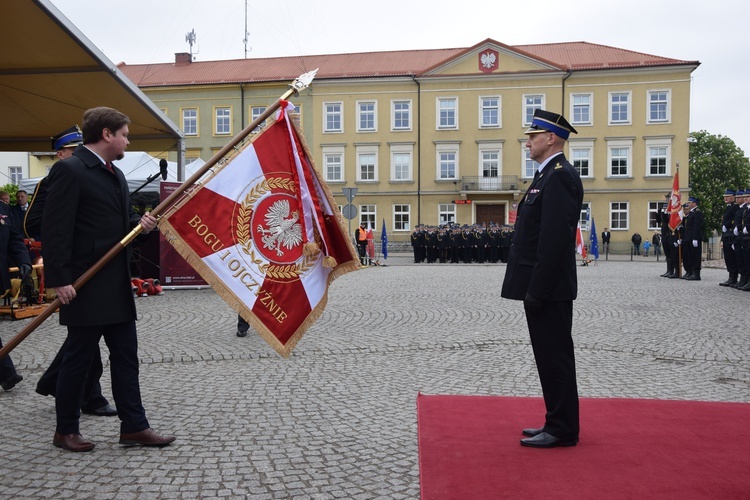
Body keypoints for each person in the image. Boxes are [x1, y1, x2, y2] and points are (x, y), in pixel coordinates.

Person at [42, 107, 175, 452]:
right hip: (84, 285)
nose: (127, 140)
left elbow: (122, 224)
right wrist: (60, 279)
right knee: (78, 361)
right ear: (106, 134)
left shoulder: (114, 174)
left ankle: (134, 426)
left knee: (126, 358)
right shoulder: (69, 170)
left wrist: (141, 226)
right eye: (125, 134)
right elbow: (55, 229)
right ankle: (65, 430)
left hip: (115, 282)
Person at [501, 109, 583, 448]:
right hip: (542, 287)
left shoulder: (560, 176)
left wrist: (537, 289)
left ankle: (563, 429)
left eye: (533, 136)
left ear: (551, 138)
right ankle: (555, 420)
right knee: (547, 357)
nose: (527, 141)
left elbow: (554, 241)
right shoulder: (544, 175)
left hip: (549, 289)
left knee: (556, 357)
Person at [34, 126, 117, 417]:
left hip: (93, 272)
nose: (80, 155)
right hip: (73, 269)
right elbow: (33, 224)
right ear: (60, 153)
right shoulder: (56, 177)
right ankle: (86, 398)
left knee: (84, 341)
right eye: (73, 150)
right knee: (83, 342)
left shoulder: (96, 174)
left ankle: (70, 389)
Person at [1, 199, 32, 391]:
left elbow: (14, 238)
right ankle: (6, 373)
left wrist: (24, 260)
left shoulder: (3, 208)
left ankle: (6, 374)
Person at [719, 189, 739, 287]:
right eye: (724, 196)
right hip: (726, 235)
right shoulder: (728, 207)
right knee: (728, 258)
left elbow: (735, 219)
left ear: (733, 197)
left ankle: (734, 277)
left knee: (732, 257)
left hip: (731, 234)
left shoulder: (735, 207)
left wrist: (728, 224)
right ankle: (731, 277)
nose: (725, 198)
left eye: (728, 196)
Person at [682, 196, 704, 280]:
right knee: (690, 256)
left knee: (695, 256)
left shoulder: (697, 212)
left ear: (694, 203)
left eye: (690, 202)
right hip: (688, 237)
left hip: (694, 238)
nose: (688, 204)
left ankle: (696, 274)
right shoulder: (691, 213)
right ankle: (691, 272)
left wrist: (695, 238)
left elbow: (697, 226)